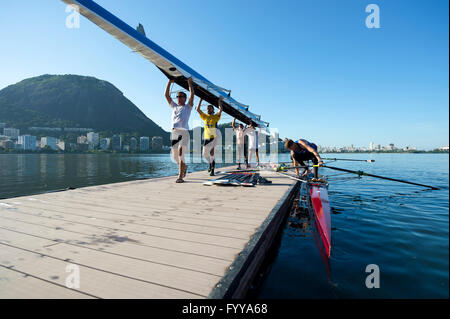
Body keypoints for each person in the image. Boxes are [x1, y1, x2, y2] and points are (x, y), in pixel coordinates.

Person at [165, 78, 194, 183]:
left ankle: (180, 176)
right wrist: (169, 82)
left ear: (185, 98)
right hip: (174, 133)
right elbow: (166, 96)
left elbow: (192, 95)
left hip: (184, 132)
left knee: (181, 153)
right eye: (177, 96)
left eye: (181, 96)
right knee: (175, 156)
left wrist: (189, 83)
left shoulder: (188, 107)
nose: (178, 98)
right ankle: (184, 167)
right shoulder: (174, 106)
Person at [196, 97, 223, 176]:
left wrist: (219, 101)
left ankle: (212, 170)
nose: (208, 109)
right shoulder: (205, 117)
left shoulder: (215, 117)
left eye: (210, 108)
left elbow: (220, 110)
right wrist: (201, 100)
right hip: (206, 137)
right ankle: (210, 164)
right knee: (204, 154)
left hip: (214, 137)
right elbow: (198, 109)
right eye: (207, 108)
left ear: (213, 110)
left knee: (212, 153)